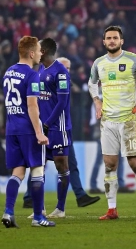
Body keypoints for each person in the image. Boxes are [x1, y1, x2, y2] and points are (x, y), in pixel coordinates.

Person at [88, 25, 136, 220]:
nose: (112, 41)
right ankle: (112, 209)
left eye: (115, 38)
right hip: (107, 122)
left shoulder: (134, 60)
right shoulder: (98, 63)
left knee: (135, 164)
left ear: (121, 41)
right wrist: (97, 101)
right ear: (104, 42)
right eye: (108, 38)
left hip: (128, 120)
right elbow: (91, 83)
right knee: (109, 164)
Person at [23, 57, 100, 215]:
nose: (66, 71)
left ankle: (74, 199)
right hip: (47, 129)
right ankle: (31, 199)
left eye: (69, 68)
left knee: (68, 165)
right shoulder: (45, 79)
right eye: (65, 67)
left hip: (62, 131)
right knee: (40, 166)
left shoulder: (65, 84)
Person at [1, 36, 55, 227]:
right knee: (38, 170)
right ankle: (39, 217)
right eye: (39, 50)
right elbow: (32, 106)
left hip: (12, 129)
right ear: (31, 53)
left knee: (17, 172)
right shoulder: (32, 75)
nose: (41, 53)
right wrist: (39, 132)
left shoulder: (8, 72)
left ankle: (8, 213)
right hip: (28, 130)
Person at [37, 38, 72, 219]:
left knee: (61, 165)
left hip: (58, 127)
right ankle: (39, 209)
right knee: (38, 166)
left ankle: (60, 208)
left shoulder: (60, 72)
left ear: (42, 50)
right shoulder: (40, 69)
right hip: (42, 127)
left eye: (36, 47)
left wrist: (47, 123)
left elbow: (62, 102)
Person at [89, 96, 135, 194]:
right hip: (103, 132)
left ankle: (119, 184)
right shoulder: (102, 99)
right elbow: (97, 118)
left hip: (113, 131)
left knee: (116, 159)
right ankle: (94, 185)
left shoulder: (100, 98)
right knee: (102, 159)